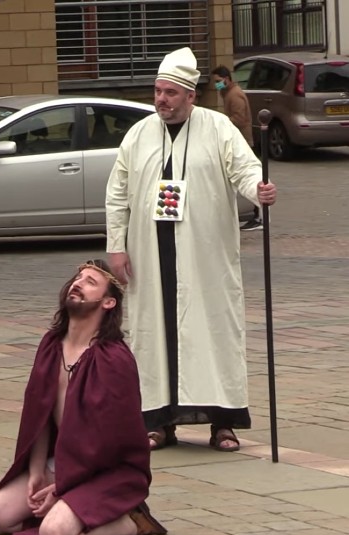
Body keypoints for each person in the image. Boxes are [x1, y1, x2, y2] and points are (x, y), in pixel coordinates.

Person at [106, 47, 278, 454]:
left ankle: (223, 423)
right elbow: (117, 193)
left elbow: (245, 169)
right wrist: (117, 246)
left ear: (190, 97)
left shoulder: (218, 128)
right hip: (150, 254)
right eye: (157, 91)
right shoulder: (138, 134)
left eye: (169, 93)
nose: (160, 100)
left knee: (212, 330)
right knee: (153, 334)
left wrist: (260, 189)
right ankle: (159, 423)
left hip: (204, 255)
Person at [0, 260, 166, 535]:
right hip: (60, 464)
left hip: (105, 472)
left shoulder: (113, 359)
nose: (78, 283)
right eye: (78, 278)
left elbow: (111, 442)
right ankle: (67, 513)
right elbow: (39, 416)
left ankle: (129, 523)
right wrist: (36, 471)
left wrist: (61, 488)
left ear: (108, 302)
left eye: (90, 282)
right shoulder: (51, 344)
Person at [212, 65, 262, 231]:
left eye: (219, 81)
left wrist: (222, 124)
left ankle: (257, 215)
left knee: (247, 176)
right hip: (237, 139)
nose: (216, 85)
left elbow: (240, 119)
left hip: (242, 141)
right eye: (215, 82)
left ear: (227, 79)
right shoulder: (226, 93)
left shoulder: (235, 95)